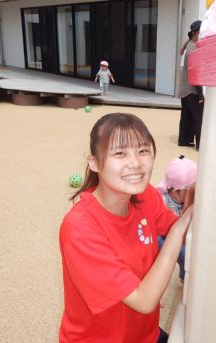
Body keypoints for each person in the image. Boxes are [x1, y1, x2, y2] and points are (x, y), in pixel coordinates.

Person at [59, 113, 193, 343]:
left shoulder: (145, 195)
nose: (136, 163)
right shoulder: (80, 229)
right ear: (94, 162)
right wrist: (178, 231)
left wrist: (194, 197)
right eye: (120, 153)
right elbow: (143, 300)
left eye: (143, 151)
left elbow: (183, 233)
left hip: (144, 334)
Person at [156, 155, 198, 281]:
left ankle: (185, 276)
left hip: (183, 234)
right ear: (175, 192)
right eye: (190, 190)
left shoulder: (194, 199)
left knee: (192, 254)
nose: (195, 192)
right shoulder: (161, 200)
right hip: (163, 235)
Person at [177, 20, 204, 150]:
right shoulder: (195, 48)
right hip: (191, 88)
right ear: (195, 33)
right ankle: (200, 144)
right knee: (199, 117)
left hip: (184, 88)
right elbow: (195, 71)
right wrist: (200, 93)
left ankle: (184, 140)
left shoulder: (189, 46)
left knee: (186, 115)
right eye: (201, 31)